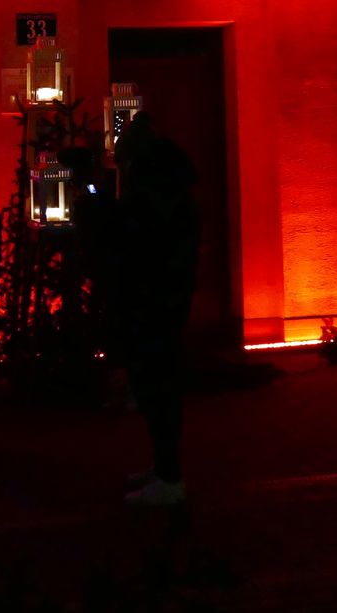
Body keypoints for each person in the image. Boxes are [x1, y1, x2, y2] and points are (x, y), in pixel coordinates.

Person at [112, 113, 201, 507]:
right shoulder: (172, 195)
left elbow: (139, 248)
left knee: (157, 389)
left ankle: (169, 475)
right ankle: (163, 467)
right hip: (163, 303)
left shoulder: (154, 201)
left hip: (154, 305)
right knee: (157, 388)